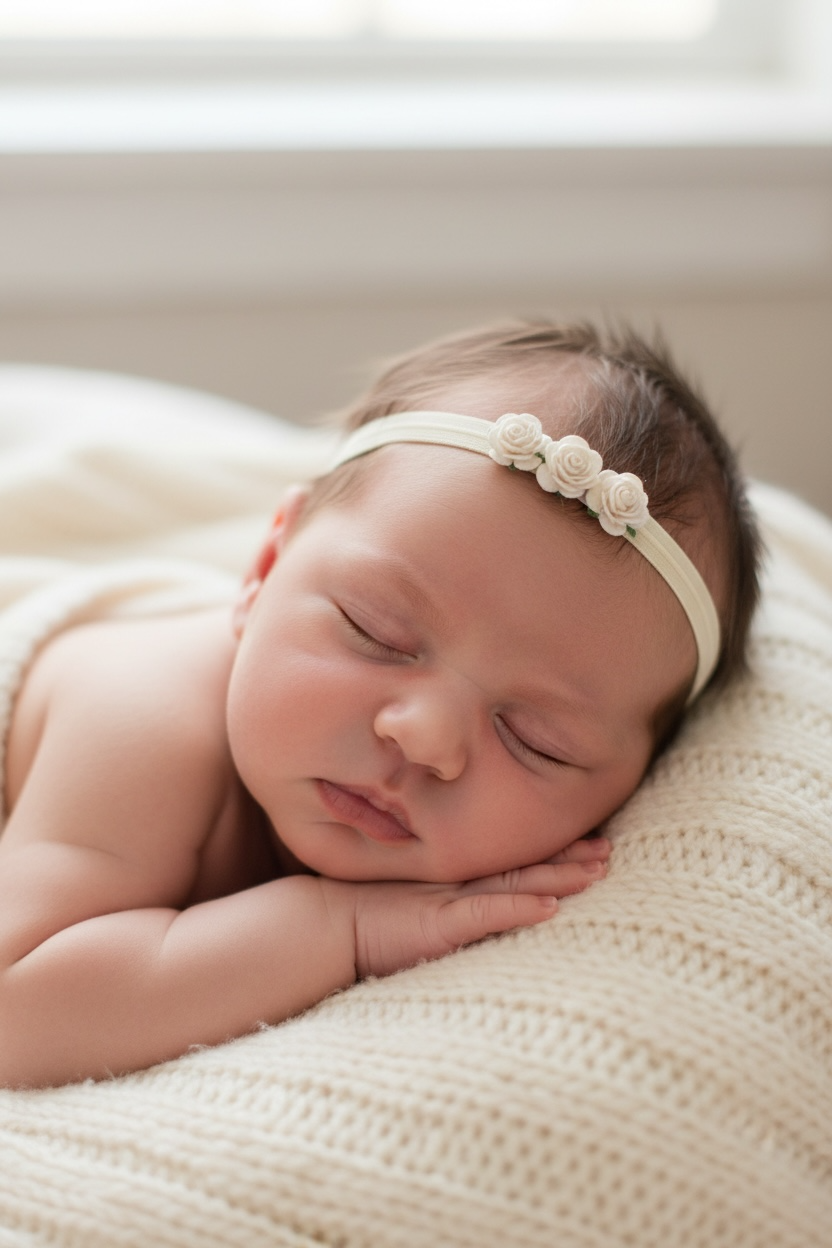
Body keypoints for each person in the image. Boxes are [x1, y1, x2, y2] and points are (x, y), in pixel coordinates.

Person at [0, 320, 761, 1089]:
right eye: (377, 634)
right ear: (265, 569)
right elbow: (17, 1013)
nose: (424, 738)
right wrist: (337, 929)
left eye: (536, 739)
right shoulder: (144, 719)